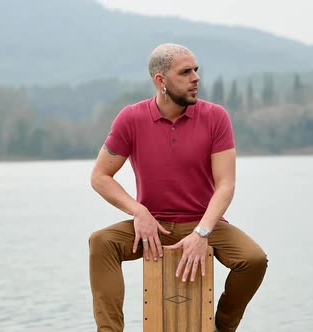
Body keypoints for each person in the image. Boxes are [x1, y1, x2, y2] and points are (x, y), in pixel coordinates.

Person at [88, 43, 267, 332]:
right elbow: (100, 176)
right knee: (101, 241)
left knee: (253, 260)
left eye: (196, 70)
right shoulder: (131, 118)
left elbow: (225, 184)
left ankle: (222, 327)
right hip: (153, 227)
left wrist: (202, 232)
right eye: (185, 72)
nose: (196, 78)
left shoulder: (215, 117)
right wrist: (139, 212)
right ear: (161, 81)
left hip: (204, 223)